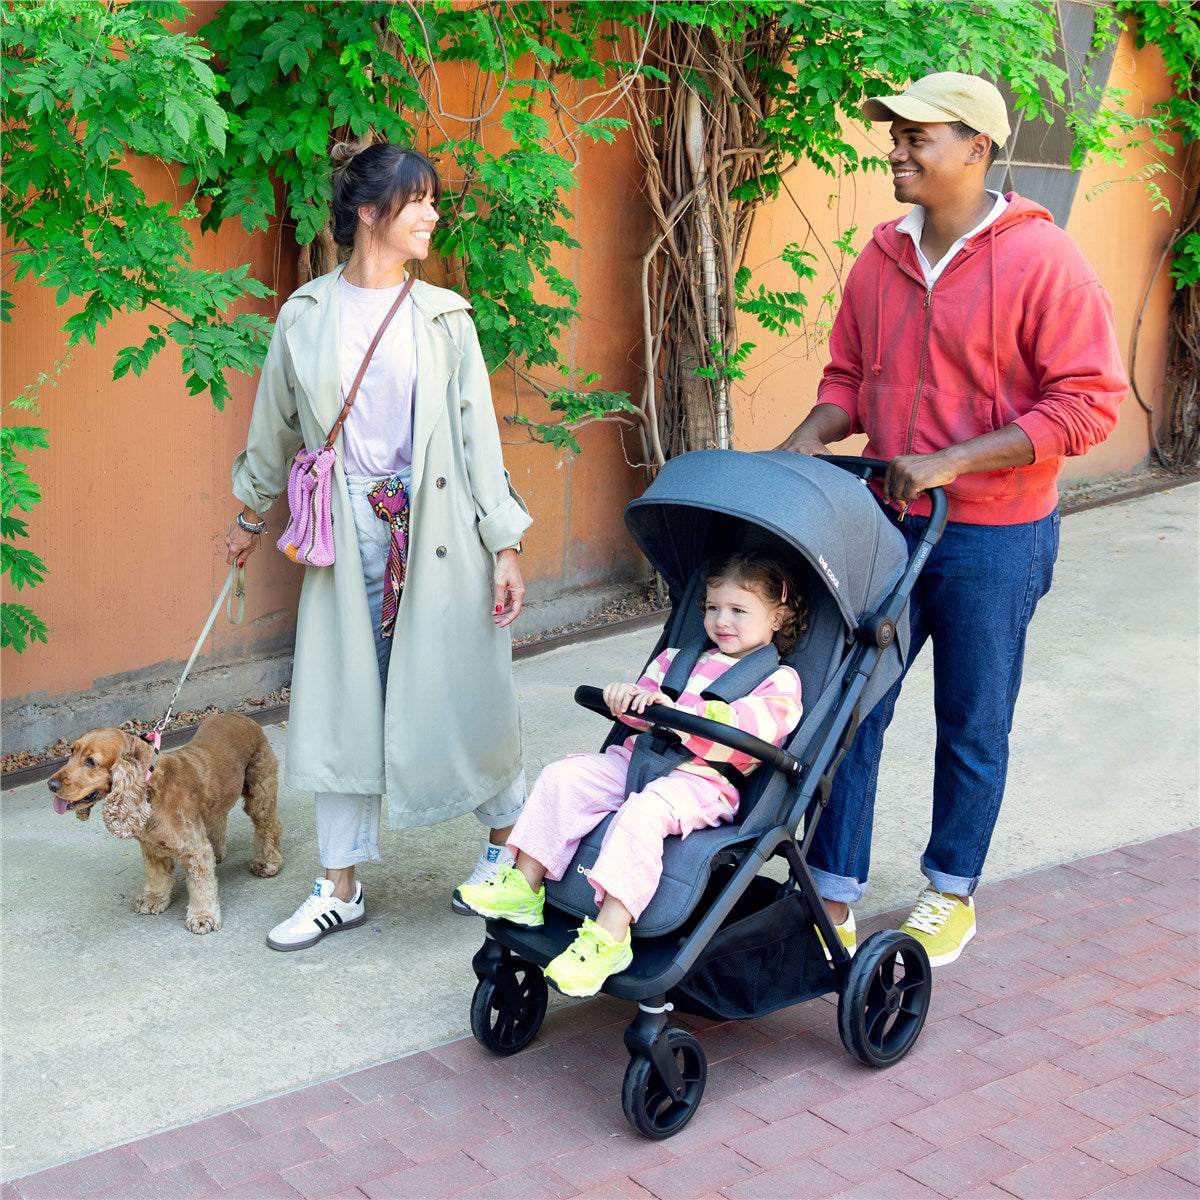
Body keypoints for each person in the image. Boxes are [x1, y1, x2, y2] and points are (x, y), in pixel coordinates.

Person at [778, 72, 1127, 966]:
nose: (895, 150)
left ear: (976, 149)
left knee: (972, 719)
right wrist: (808, 437)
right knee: (852, 708)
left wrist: (952, 460)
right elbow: (848, 377)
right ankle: (834, 892)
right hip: (887, 527)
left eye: (916, 137)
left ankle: (951, 891)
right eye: (895, 135)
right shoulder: (881, 256)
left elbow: (1087, 405)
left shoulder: (1044, 261)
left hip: (997, 535)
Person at [223, 142, 533, 952]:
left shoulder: (445, 317)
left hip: (440, 528)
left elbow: (478, 438)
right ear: (369, 212)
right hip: (343, 527)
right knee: (343, 705)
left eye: (432, 201)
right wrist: (250, 516)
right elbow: (273, 427)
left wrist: (503, 544)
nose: (432, 215)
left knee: (460, 690)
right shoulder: (305, 315)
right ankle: (339, 884)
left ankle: (509, 850)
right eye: (417, 200)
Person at [459, 550, 807, 996]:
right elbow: (642, 708)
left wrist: (685, 713)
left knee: (641, 814)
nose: (722, 620)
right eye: (713, 607)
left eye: (739, 611)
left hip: (705, 780)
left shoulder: (779, 681)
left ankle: (610, 936)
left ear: (777, 617)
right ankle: (524, 886)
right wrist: (626, 698)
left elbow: (756, 728)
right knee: (563, 777)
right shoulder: (678, 658)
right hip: (641, 761)